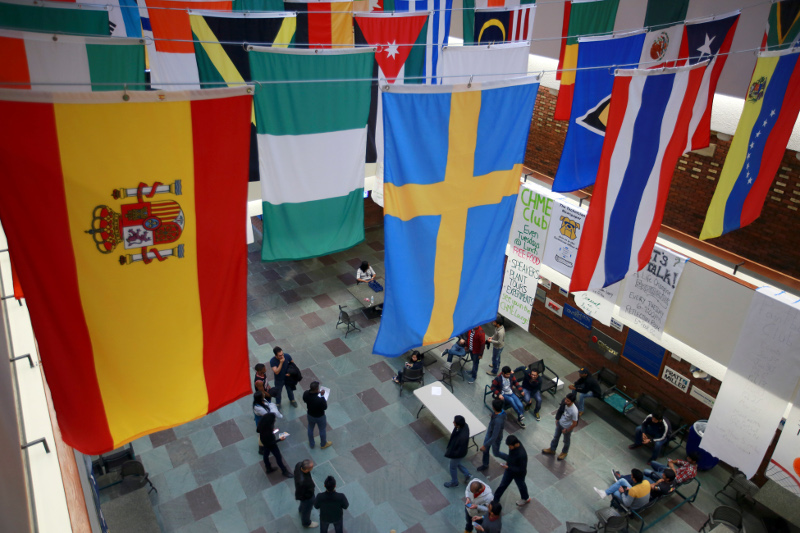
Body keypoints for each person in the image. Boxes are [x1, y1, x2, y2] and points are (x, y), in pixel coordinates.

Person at [492, 435, 530, 507]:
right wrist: (508, 462)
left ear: (515, 444)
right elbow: (511, 455)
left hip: (519, 473)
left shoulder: (522, 455)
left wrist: (508, 467)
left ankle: (525, 498)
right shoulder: (513, 446)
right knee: (503, 484)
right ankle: (495, 499)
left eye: (510, 446)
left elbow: (521, 469)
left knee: (521, 485)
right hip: (510, 469)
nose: (509, 448)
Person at [542, 392, 579, 460]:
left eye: (568, 401)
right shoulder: (564, 402)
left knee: (566, 441)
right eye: (566, 399)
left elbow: (574, 423)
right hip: (560, 423)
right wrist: (557, 419)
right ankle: (552, 449)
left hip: (567, 427)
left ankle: (564, 452)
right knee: (555, 437)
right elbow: (560, 410)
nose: (566, 401)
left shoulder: (574, 411)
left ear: (572, 402)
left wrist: (567, 430)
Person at [257, 412, 293, 478]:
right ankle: (284, 471)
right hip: (271, 444)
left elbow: (258, 431)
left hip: (264, 443)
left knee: (266, 455)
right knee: (278, 457)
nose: (275, 420)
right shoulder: (267, 432)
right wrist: (280, 439)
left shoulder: (261, 424)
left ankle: (268, 468)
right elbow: (271, 442)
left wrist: (271, 430)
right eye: (274, 420)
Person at [477, 399, 508, 472]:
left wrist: (485, 445)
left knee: (496, 453)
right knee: (485, 451)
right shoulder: (501, 412)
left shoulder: (498, 421)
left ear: (493, 407)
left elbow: (494, 436)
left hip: (495, 438)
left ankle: (509, 458)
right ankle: (485, 464)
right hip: (490, 432)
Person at [612, 468, 676, 500]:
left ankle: (619, 478)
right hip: (654, 489)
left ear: (668, 479)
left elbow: (649, 486)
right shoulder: (673, 482)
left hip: (648, 493)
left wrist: (657, 482)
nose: (662, 475)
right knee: (641, 475)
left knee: (637, 478)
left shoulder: (662, 487)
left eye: (664, 475)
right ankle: (622, 477)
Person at [303, 381, 332, 449]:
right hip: (320, 416)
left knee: (310, 428)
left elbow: (305, 399)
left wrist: (318, 393)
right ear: (316, 389)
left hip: (310, 415)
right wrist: (322, 396)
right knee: (322, 430)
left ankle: (311, 443)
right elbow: (325, 407)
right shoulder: (320, 399)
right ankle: (323, 444)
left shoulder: (306, 393)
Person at [444, 415, 471, 488]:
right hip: (461, 453)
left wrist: (451, 454)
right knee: (457, 463)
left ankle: (454, 482)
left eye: (454, 422)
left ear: (458, 424)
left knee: (452, 466)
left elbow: (457, 448)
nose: (453, 422)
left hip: (458, 454)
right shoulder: (465, 426)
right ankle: (467, 474)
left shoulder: (461, 437)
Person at [294, 459, 318, 529]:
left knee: (303, 506)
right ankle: (306, 523)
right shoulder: (304, 482)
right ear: (307, 470)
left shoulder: (298, 465)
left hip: (302, 494)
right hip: (307, 497)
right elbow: (304, 492)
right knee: (307, 510)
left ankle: (301, 509)